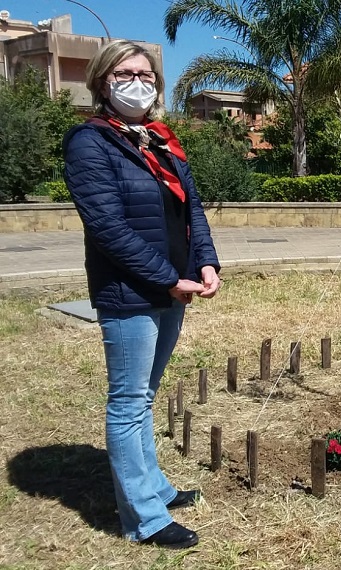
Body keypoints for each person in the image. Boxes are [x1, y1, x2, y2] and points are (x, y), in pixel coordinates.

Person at [64, 40, 221, 547]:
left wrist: (206, 261)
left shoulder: (160, 140)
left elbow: (191, 208)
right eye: (125, 73)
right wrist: (168, 278)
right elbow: (107, 228)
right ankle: (144, 520)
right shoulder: (90, 142)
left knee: (145, 396)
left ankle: (155, 489)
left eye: (146, 74)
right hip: (130, 292)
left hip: (172, 287)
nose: (138, 82)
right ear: (102, 81)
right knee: (129, 401)